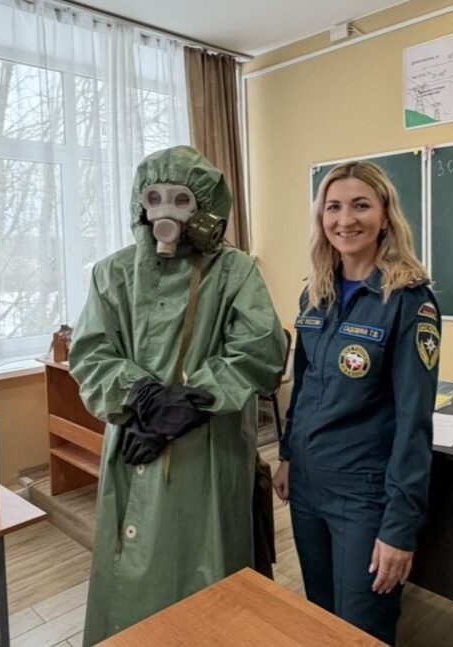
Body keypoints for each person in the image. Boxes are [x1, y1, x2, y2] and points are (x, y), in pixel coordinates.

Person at [69, 145, 286, 645]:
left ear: (205, 207)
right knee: (132, 570)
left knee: (206, 562)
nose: (165, 211)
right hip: (135, 436)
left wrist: (193, 398)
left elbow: (259, 349)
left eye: (181, 199)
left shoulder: (235, 272)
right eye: (154, 198)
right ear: (139, 205)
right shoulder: (112, 274)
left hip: (208, 444)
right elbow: (91, 353)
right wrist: (142, 395)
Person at [272, 161, 440, 645]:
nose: (345, 219)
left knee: (361, 630)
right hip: (308, 486)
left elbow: (414, 421)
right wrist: (287, 456)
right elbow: (304, 386)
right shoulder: (314, 294)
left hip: (362, 495)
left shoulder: (409, 301)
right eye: (334, 207)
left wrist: (399, 528)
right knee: (320, 619)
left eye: (360, 205)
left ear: (385, 216)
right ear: (321, 218)